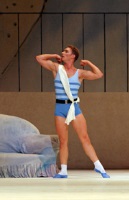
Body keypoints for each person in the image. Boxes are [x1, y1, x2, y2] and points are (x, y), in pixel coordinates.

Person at [36, 45, 110, 178]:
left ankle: (99, 167)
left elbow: (99, 74)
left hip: (73, 108)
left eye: (66, 51)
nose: (62, 53)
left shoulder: (79, 73)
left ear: (73, 56)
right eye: (63, 51)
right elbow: (39, 58)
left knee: (85, 138)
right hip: (60, 108)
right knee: (63, 141)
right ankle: (63, 171)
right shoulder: (57, 68)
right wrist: (54, 55)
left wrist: (88, 63)